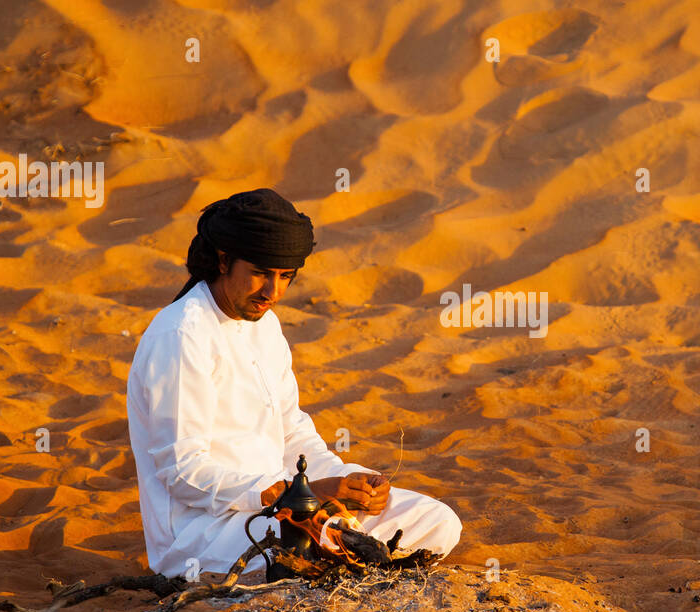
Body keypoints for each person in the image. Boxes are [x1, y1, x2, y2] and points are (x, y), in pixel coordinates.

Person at [126, 188, 461, 578]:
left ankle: (347, 561)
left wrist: (345, 488)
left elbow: (291, 433)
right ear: (223, 260)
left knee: (438, 522)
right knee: (317, 546)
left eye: (285, 277)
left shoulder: (264, 324)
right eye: (260, 274)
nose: (273, 293)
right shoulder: (181, 335)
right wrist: (297, 494)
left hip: (287, 507)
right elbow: (184, 472)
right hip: (207, 533)